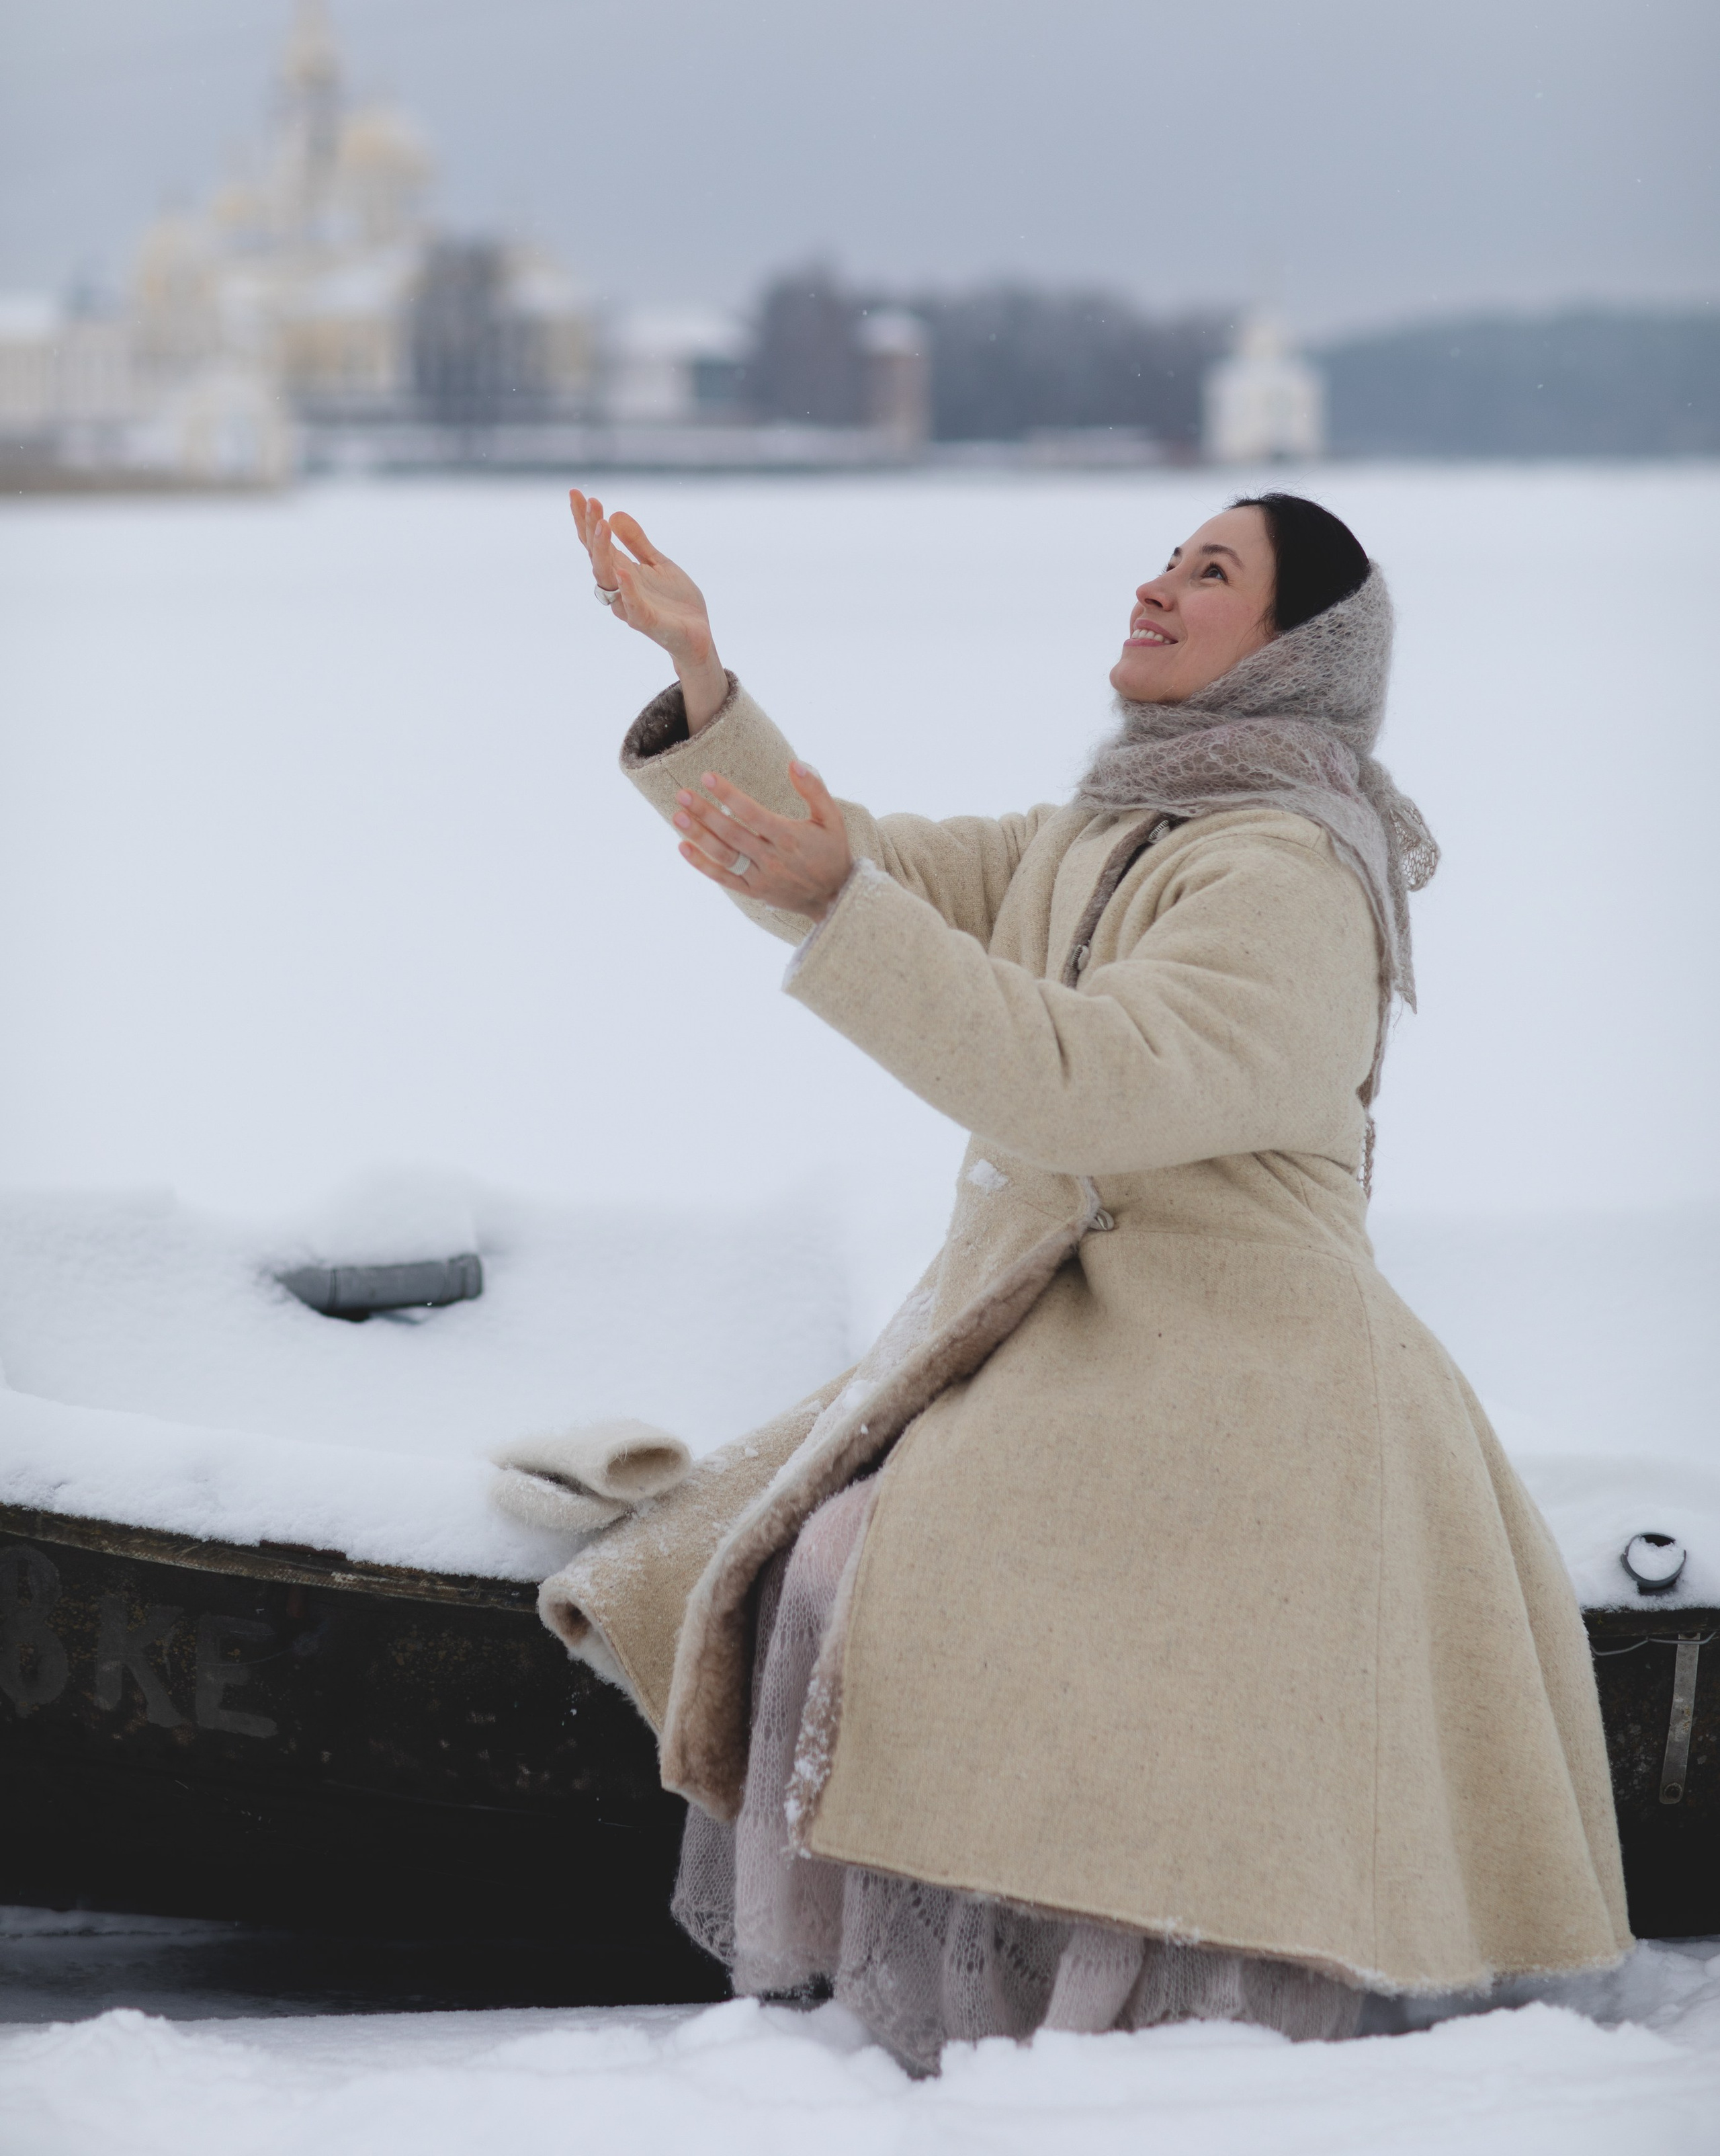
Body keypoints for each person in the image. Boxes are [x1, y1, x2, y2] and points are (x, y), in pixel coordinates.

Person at [542, 487, 1628, 2075]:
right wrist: (703, 680)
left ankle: (1103, 2027)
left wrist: (843, 903)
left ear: (1291, 648)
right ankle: (903, 1983)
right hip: (1088, 1348)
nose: (1157, 584)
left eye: (1210, 572)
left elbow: (1088, 1082)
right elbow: (864, 866)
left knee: (884, 1560)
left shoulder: (1290, 873)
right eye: (1168, 556)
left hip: (1252, 1377)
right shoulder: (1117, 823)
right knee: (825, 1548)